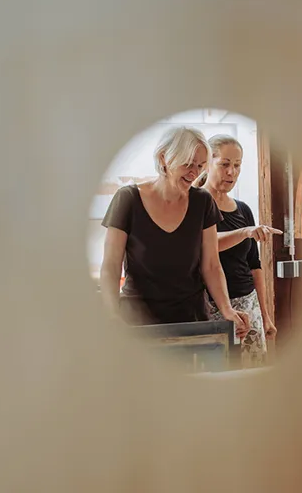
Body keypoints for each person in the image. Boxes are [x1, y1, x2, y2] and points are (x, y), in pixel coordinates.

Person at [99, 126, 249, 340]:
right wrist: (112, 314)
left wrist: (227, 309)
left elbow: (211, 265)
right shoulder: (128, 199)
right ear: (164, 158)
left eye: (200, 166)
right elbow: (111, 266)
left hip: (192, 321)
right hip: (138, 324)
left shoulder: (202, 202)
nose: (195, 173)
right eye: (188, 164)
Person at [196, 135, 280, 367]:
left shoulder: (243, 209)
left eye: (237, 165)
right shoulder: (194, 204)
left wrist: (265, 315)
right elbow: (204, 245)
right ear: (207, 164)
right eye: (224, 164)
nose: (231, 172)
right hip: (211, 307)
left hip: (249, 306)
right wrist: (245, 232)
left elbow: (255, 266)